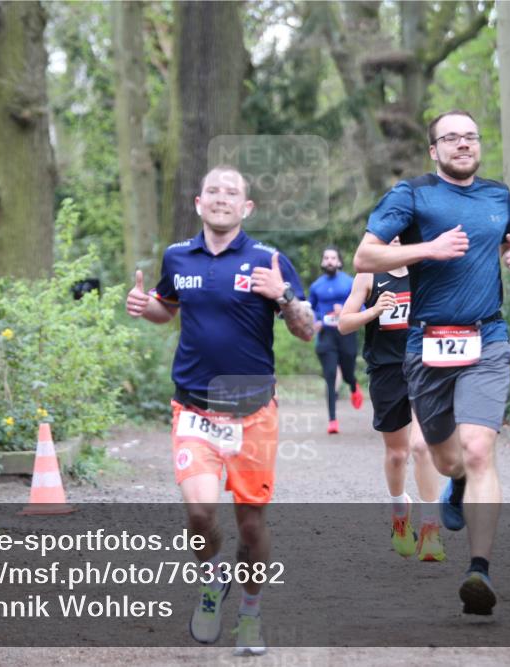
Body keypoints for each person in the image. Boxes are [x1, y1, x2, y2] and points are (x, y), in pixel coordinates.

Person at [353, 110, 510, 615]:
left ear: (479, 146)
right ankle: (455, 483)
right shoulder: (410, 195)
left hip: (487, 338)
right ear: (433, 150)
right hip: (427, 344)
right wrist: (427, 249)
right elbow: (364, 258)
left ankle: (479, 571)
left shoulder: (498, 195)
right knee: (446, 459)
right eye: (451, 138)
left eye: (470, 137)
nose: (463, 144)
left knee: (479, 450)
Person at [126, 165, 313, 655]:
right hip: (193, 409)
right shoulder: (177, 256)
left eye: (233, 193)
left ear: (246, 208)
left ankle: (250, 613)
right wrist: (145, 305)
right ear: (199, 202)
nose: (222, 198)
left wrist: (286, 296)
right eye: (214, 190)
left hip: (253, 413)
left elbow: (307, 329)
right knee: (200, 512)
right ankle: (213, 582)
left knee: (251, 526)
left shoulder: (269, 260)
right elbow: (168, 308)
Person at [337, 239, 445, 562]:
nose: (397, 239)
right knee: (397, 454)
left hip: (424, 365)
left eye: (403, 232)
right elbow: (343, 323)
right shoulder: (368, 274)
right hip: (386, 370)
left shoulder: (425, 270)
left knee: (422, 446)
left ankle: (430, 530)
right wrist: (374, 310)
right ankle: (400, 511)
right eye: (390, 234)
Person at [307, 246, 363, 434]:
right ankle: (332, 420)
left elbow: (362, 306)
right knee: (330, 376)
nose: (329, 261)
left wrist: (347, 311)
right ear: (323, 262)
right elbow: (310, 309)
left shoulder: (349, 282)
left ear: (339, 262)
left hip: (346, 333)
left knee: (347, 373)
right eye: (326, 258)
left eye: (333, 258)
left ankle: (354, 385)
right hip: (326, 336)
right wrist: (315, 321)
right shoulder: (316, 286)